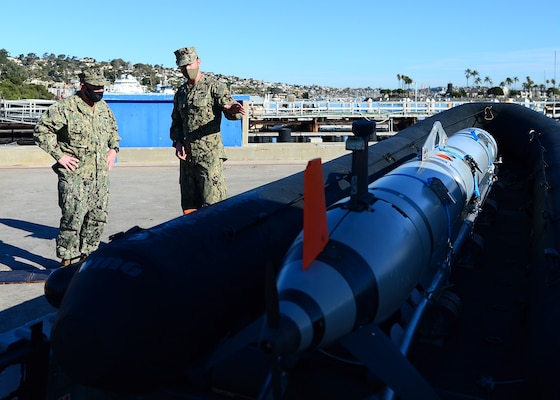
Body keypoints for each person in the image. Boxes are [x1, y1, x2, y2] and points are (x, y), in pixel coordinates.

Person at [34, 69, 121, 267]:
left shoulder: (104, 108)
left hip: (100, 176)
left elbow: (113, 132)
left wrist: (113, 149)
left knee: (97, 218)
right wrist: (60, 156)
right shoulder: (66, 108)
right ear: (83, 87)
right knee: (73, 218)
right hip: (75, 176)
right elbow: (41, 131)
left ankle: (88, 258)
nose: (99, 91)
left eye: (102, 88)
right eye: (95, 88)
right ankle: (67, 261)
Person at [170, 46, 245, 215]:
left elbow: (232, 111)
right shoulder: (181, 93)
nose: (186, 69)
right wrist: (178, 142)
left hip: (209, 158)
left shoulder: (214, 87)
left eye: (189, 64)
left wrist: (232, 110)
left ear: (198, 62)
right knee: (189, 208)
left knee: (215, 208)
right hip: (187, 160)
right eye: (182, 66)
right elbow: (176, 123)